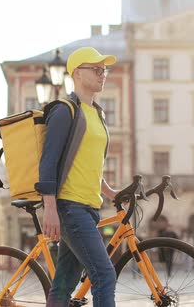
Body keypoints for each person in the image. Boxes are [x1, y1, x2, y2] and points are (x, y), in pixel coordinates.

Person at [36, 47, 118, 307]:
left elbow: (88, 165)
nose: (102, 74)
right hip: (70, 208)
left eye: (104, 70)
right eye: (96, 69)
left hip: (90, 207)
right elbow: (49, 162)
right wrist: (50, 209)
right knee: (104, 275)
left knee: (62, 286)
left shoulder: (98, 114)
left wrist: (111, 192)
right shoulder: (65, 111)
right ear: (77, 74)